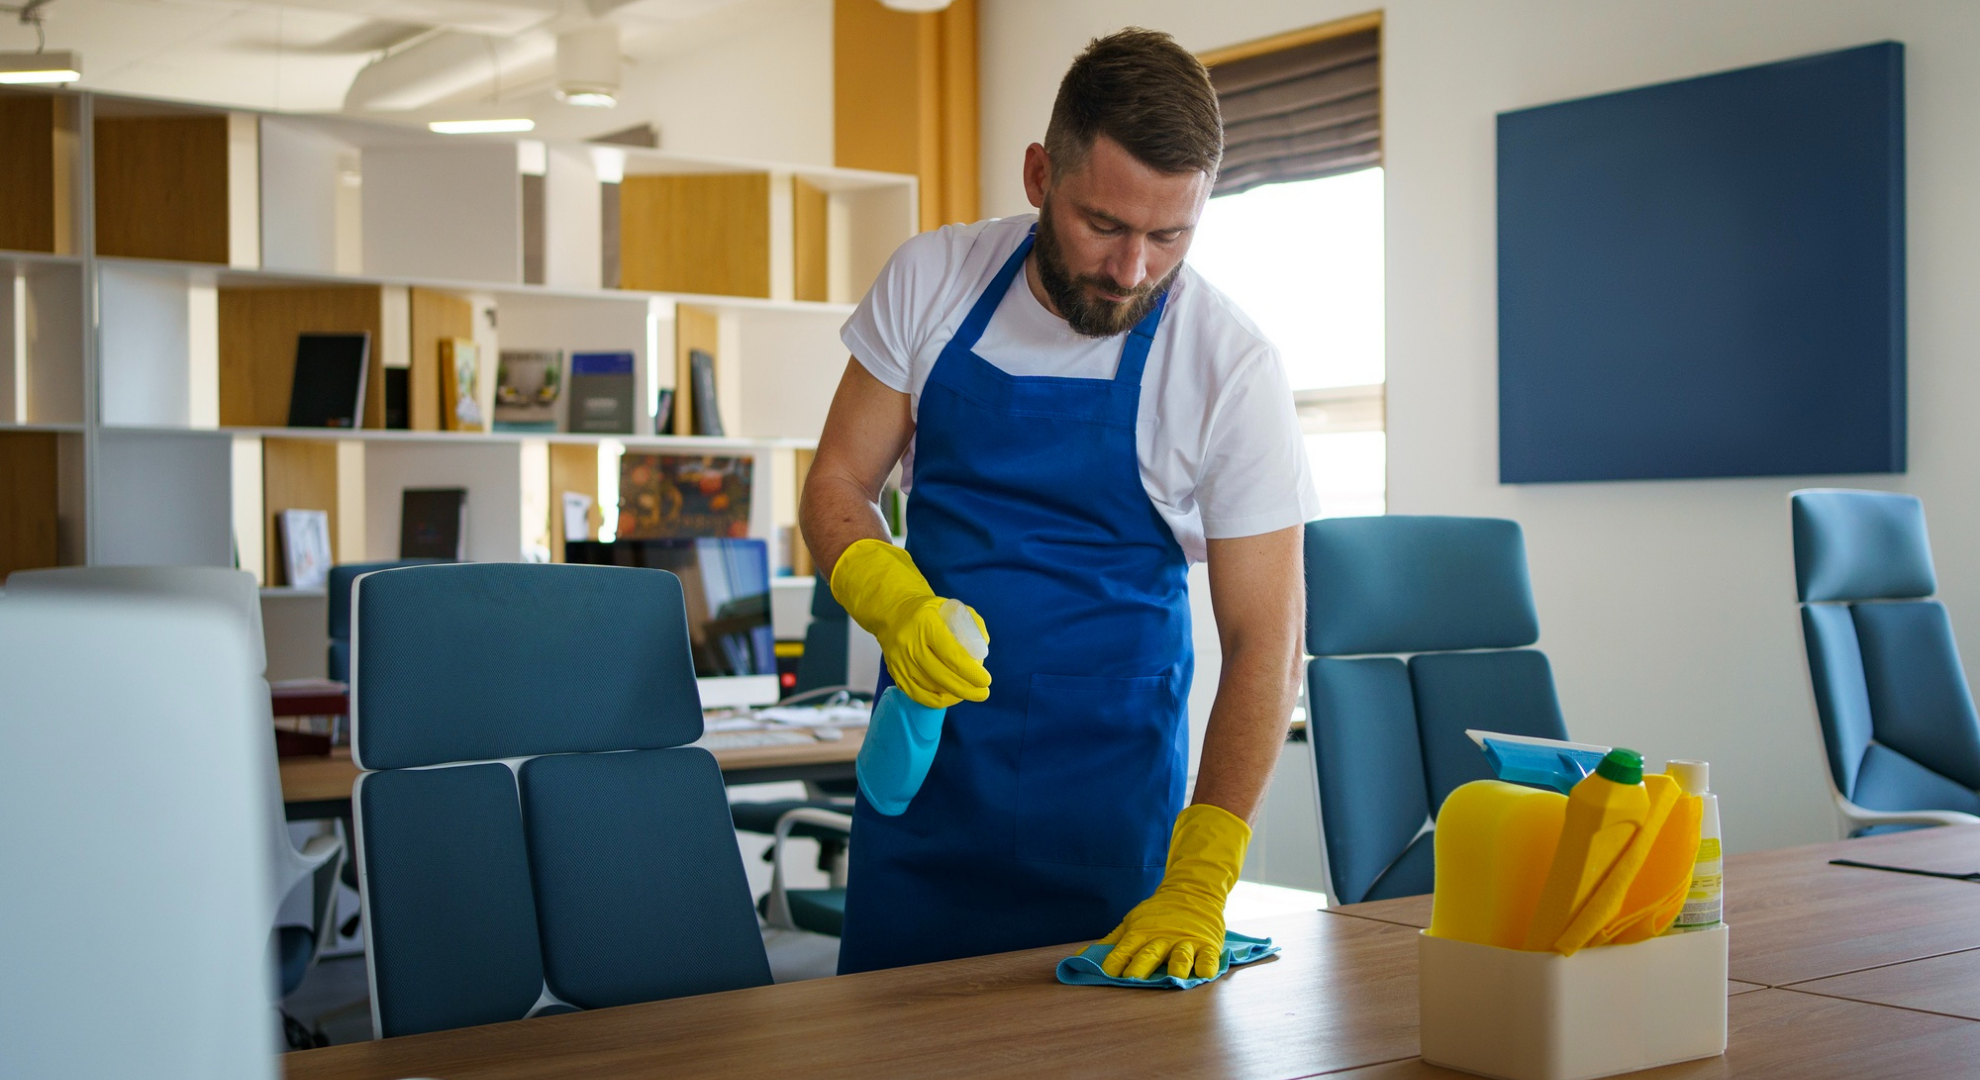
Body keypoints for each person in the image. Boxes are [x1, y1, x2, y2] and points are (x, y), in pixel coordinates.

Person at [802, 27, 1319, 980]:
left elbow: (1267, 643)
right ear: (1040, 174)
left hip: (1109, 824)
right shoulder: (933, 280)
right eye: (1105, 225)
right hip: (925, 793)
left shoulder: (1229, 367)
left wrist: (1203, 874)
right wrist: (892, 597)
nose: (1132, 270)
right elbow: (837, 484)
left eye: (1170, 236)